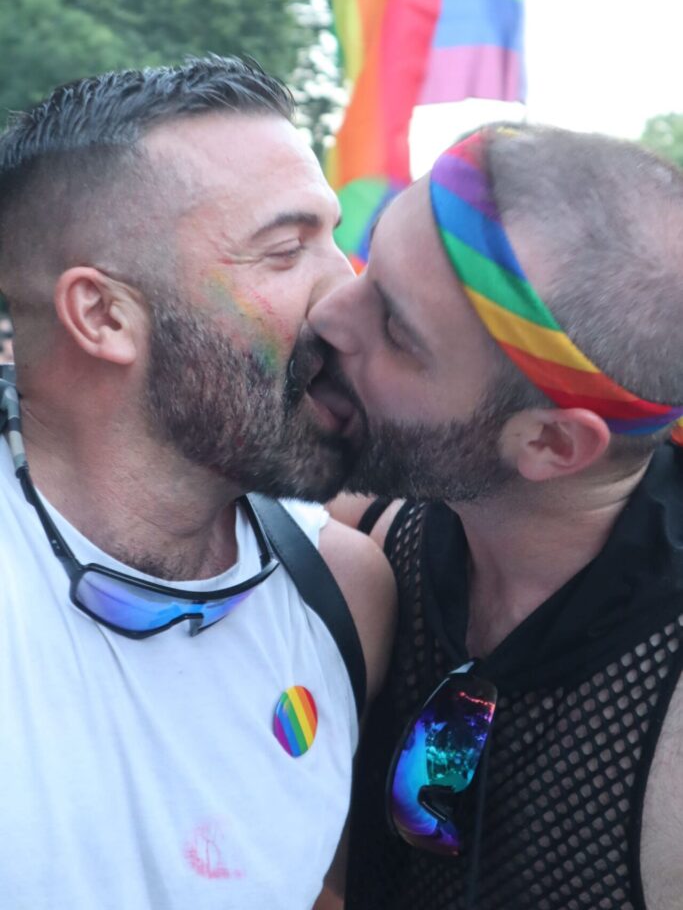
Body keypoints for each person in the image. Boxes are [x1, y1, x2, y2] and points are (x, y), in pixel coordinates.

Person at [0, 56, 395, 909]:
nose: (346, 296)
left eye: (334, 239)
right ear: (103, 315)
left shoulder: (343, 593)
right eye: (286, 251)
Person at [309, 125, 683, 910]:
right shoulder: (369, 537)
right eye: (365, 262)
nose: (330, 314)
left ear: (549, 441)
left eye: (396, 330)